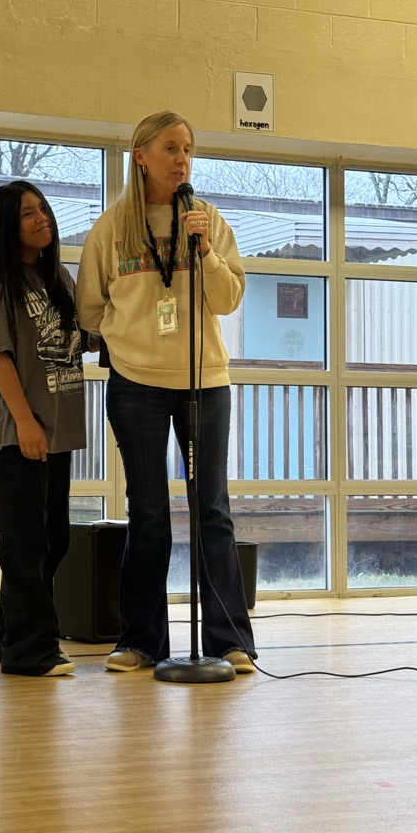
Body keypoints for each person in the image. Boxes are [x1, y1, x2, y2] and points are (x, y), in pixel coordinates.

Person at [76, 111, 257, 674]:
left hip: (205, 382)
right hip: (136, 386)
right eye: (171, 148)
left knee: (212, 511)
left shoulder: (208, 220)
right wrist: (132, 337)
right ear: (141, 156)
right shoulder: (111, 228)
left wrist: (204, 250)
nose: (182, 159)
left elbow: (228, 299)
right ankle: (140, 641)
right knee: (148, 512)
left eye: (188, 150)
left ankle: (229, 640)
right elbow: (89, 309)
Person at [0, 181, 86, 677]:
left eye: (42, 209)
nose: (41, 219)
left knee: (53, 539)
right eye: (27, 214)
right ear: (6, 227)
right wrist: (25, 421)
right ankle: (32, 649)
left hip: (54, 431)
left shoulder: (57, 278)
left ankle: (11, 642)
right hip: (12, 433)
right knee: (25, 541)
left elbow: (80, 338)